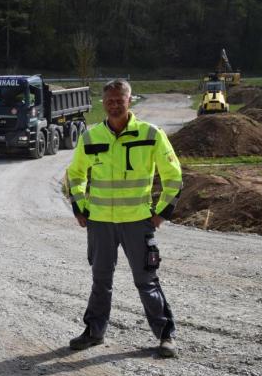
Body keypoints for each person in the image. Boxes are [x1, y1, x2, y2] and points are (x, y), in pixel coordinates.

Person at [65, 79, 183, 358]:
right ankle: (94, 332)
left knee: (146, 280)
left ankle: (166, 335)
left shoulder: (152, 134)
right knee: (100, 280)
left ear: (130, 101)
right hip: (101, 223)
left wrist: (161, 214)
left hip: (138, 222)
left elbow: (174, 178)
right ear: (102, 104)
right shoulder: (91, 137)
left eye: (120, 100)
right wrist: (81, 208)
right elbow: (75, 176)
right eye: (109, 101)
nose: (114, 105)